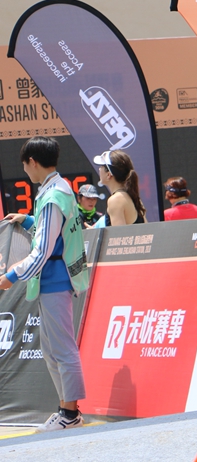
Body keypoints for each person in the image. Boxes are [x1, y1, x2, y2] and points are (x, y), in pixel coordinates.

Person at [0, 136, 88, 431]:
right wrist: (26, 220)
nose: (25, 171)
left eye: (25, 165)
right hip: (54, 280)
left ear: (32, 162)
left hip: (55, 281)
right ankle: (66, 410)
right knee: (53, 351)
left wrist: (11, 277)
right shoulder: (58, 188)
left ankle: (70, 414)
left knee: (62, 350)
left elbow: (42, 252)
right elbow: (49, 231)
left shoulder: (52, 196)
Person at [93, 150, 145, 226]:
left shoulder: (115, 200)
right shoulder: (134, 198)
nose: (99, 169)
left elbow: (119, 234)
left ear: (108, 175)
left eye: (101, 166)